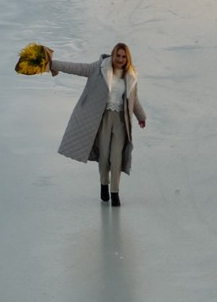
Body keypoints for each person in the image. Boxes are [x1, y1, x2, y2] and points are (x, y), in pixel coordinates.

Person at [44, 43, 145, 205]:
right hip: (103, 118)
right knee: (104, 156)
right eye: (117, 55)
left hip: (121, 121)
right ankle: (104, 185)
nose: (120, 59)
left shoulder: (131, 75)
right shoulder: (99, 69)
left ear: (128, 58)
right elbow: (76, 68)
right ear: (113, 55)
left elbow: (134, 99)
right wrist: (52, 64)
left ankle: (115, 192)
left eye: (123, 56)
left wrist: (141, 116)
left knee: (116, 157)